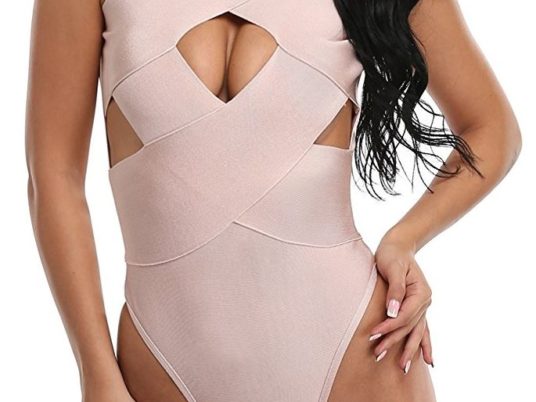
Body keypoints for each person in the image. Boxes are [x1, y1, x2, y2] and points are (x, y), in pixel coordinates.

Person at [25, 0, 522, 401]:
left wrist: (404, 240)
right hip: (163, 364)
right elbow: (54, 178)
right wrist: (95, 372)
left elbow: (492, 129)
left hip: (354, 349)